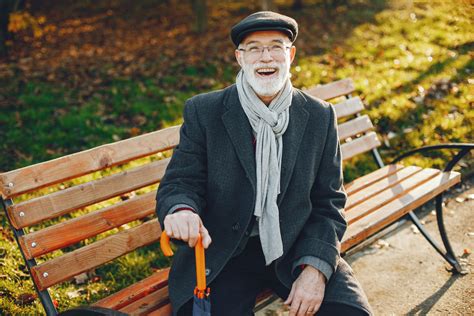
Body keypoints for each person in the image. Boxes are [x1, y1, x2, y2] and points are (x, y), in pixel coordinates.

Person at [156, 11, 372, 316]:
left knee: (349, 313)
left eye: (275, 46)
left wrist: (315, 269)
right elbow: (180, 183)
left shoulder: (319, 116)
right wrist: (181, 210)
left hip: (296, 244)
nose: (265, 57)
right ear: (239, 58)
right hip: (224, 252)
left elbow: (329, 203)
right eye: (254, 48)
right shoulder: (205, 111)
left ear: (291, 55)